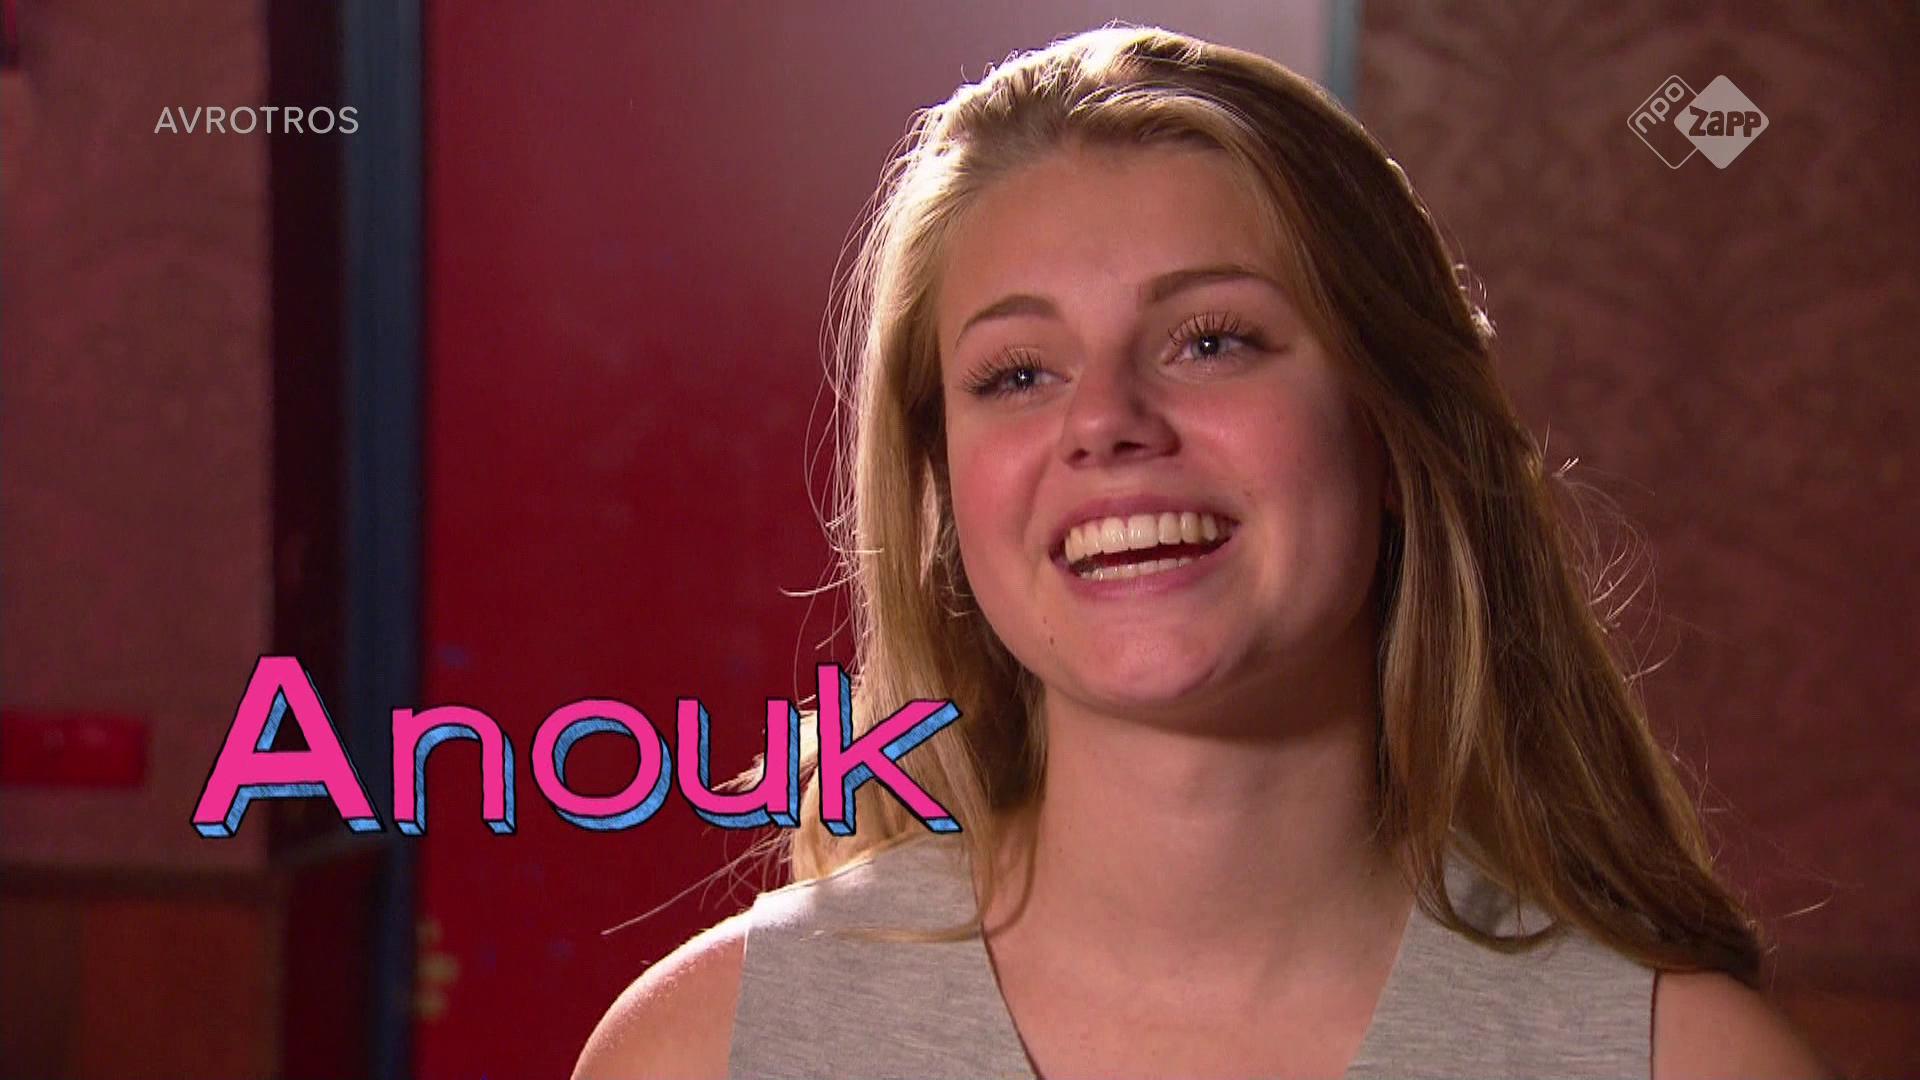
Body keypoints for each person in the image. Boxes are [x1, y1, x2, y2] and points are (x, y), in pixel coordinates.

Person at [575, 25, 1833, 1080]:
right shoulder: (702, 1052)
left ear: (1397, 429)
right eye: (1018, 372)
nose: (1107, 423)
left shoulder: (1688, 1061)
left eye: (1213, 340)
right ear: (942, 493)